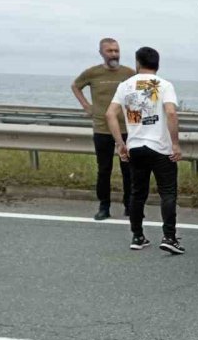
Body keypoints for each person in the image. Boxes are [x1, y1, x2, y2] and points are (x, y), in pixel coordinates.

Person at [104, 46, 183, 255]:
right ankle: (169, 237)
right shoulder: (164, 85)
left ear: (138, 63)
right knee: (168, 192)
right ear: (157, 64)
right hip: (160, 147)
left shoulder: (125, 85)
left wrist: (120, 143)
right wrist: (175, 143)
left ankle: (137, 236)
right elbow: (171, 113)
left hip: (135, 147)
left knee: (138, 193)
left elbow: (110, 114)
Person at [71, 38, 135, 221]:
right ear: (101, 53)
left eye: (116, 50)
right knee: (104, 169)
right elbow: (76, 86)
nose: (114, 54)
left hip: (126, 129)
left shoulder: (129, 73)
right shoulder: (93, 73)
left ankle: (129, 206)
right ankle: (104, 206)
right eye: (110, 51)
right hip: (101, 129)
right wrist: (86, 105)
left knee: (128, 170)